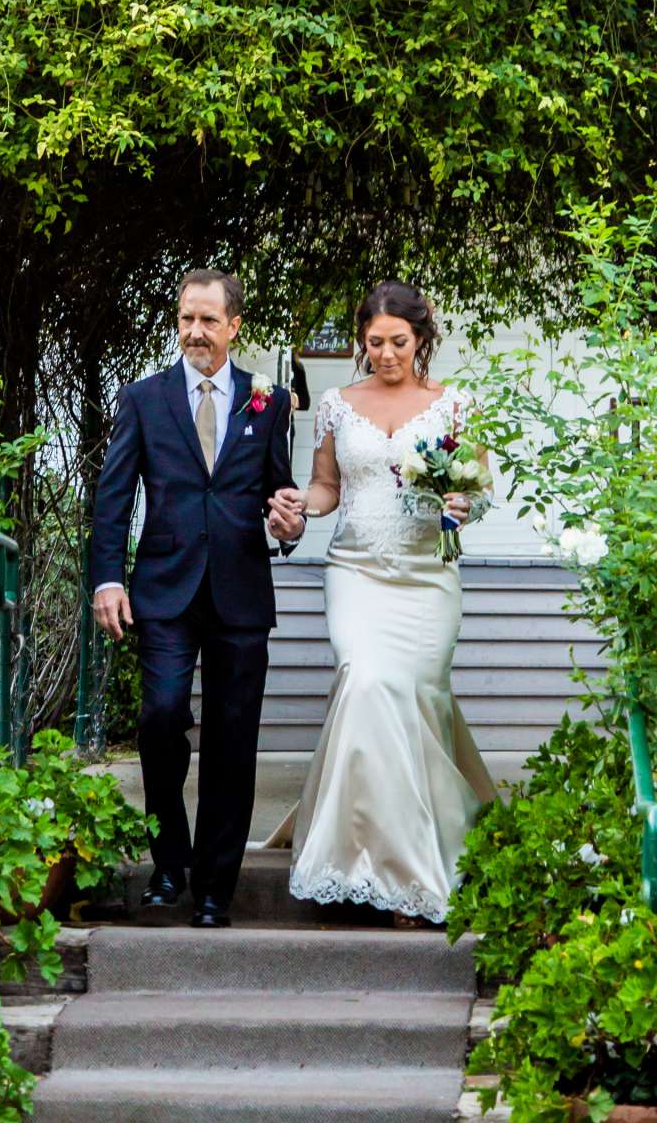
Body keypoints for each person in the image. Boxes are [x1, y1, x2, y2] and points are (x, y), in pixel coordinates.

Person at [90, 269, 302, 928]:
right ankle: (169, 858)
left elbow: (280, 492)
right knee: (160, 715)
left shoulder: (266, 403)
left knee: (235, 742)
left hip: (241, 589)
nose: (195, 332)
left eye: (208, 321)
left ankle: (215, 887)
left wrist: (288, 526)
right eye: (186, 319)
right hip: (164, 589)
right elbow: (114, 497)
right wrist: (107, 579)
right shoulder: (144, 399)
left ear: (234, 326)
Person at [284, 280, 497, 925]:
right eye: (373, 343)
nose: (384, 354)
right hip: (356, 573)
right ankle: (382, 868)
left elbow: (479, 490)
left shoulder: (454, 404)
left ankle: (417, 860)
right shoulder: (336, 404)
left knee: (416, 697)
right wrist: (297, 509)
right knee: (370, 682)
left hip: (428, 577)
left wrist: (465, 504)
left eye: (397, 342)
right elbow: (325, 488)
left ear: (421, 338)